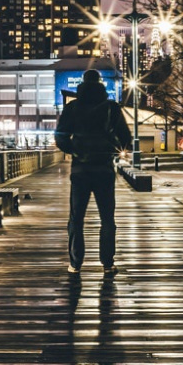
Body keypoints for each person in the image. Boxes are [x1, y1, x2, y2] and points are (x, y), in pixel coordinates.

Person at [54, 68, 133, 276]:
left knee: (76, 218)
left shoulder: (72, 108)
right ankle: (107, 263)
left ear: (82, 83)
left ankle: (75, 263)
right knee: (107, 218)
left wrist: (75, 150)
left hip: (80, 169)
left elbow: (60, 137)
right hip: (104, 169)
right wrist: (113, 150)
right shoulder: (111, 108)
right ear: (100, 84)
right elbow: (126, 138)